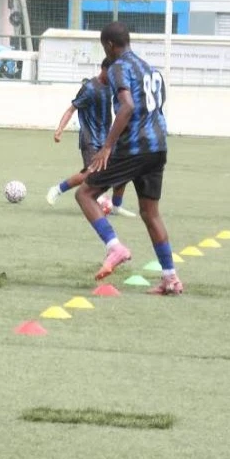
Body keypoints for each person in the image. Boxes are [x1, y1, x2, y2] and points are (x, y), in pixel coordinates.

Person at [73, 22, 181, 295]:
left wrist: (108, 146)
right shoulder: (150, 69)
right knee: (150, 212)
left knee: (85, 194)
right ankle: (171, 278)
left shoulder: (119, 66)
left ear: (109, 45)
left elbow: (128, 106)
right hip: (158, 146)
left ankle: (114, 246)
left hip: (135, 147)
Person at [47, 58, 135, 218]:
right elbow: (71, 109)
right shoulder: (89, 88)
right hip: (90, 139)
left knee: (123, 172)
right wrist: (60, 129)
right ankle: (57, 189)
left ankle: (116, 207)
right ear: (104, 69)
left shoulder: (113, 87)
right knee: (90, 174)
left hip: (107, 139)